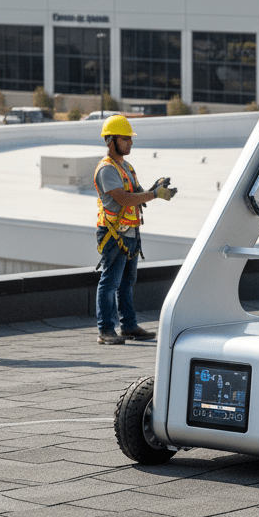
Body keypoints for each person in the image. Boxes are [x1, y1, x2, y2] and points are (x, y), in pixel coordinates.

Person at [94, 115, 176, 345]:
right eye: (125, 139)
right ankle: (105, 330)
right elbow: (123, 199)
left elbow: (137, 194)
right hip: (114, 235)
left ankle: (128, 326)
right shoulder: (107, 169)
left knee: (127, 282)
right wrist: (154, 194)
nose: (130, 143)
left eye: (130, 139)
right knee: (109, 283)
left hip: (129, 234)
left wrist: (155, 190)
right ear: (111, 140)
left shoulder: (126, 167)